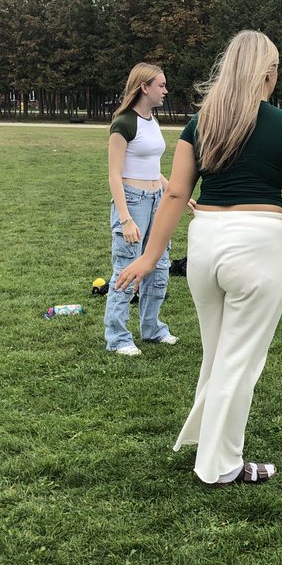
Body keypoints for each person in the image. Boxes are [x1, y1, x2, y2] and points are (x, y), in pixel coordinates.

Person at [116, 31, 282, 484]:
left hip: (205, 244)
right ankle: (220, 466)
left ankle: (206, 441)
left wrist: (149, 257)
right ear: (268, 73)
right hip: (259, 243)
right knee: (239, 362)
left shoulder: (201, 123)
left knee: (219, 356)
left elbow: (177, 192)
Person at [104, 63, 180, 355]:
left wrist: (174, 191)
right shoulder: (123, 122)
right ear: (144, 87)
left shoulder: (152, 120)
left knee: (159, 266)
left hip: (157, 199)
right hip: (133, 201)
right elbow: (114, 174)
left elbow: (153, 168)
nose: (165, 90)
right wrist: (125, 219)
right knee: (126, 268)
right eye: (161, 85)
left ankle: (152, 329)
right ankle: (118, 338)